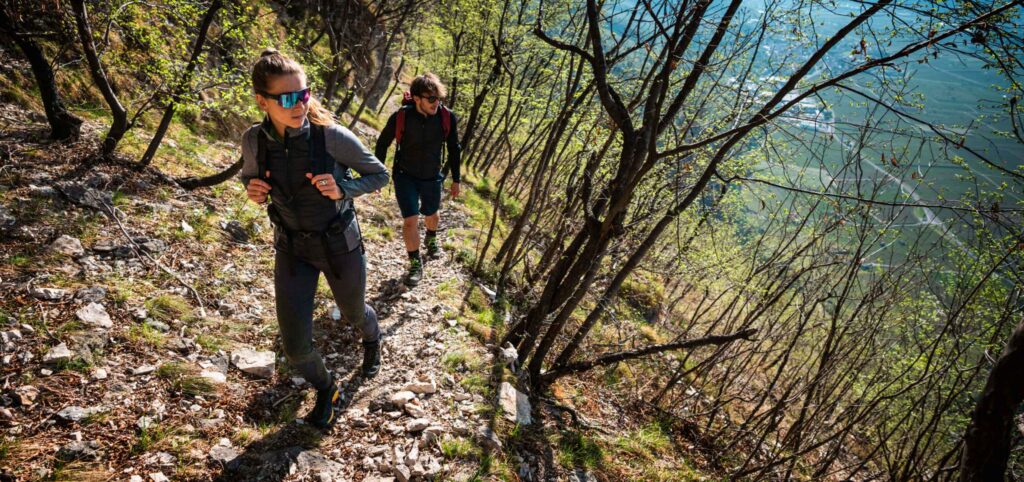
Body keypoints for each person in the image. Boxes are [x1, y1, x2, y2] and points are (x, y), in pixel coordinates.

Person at [238, 49, 388, 429]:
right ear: (262, 101)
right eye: (287, 98)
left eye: (303, 94)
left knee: (355, 315)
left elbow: (380, 174)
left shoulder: (331, 138)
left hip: (340, 246)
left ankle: (372, 338)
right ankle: (326, 388)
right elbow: (250, 179)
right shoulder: (254, 141)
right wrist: (253, 190)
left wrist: (343, 189)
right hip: (292, 250)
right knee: (294, 349)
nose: (299, 104)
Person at [374, 73, 461, 286]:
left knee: (432, 214)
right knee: (410, 220)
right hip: (405, 176)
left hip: (432, 177)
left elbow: (454, 149)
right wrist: (376, 173)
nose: (436, 103)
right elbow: (383, 143)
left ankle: (431, 237)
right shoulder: (401, 117)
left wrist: (456, 179)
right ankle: (415, 263)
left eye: (438, 98)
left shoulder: (446, 117)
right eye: (431, 99)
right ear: (416, 98)